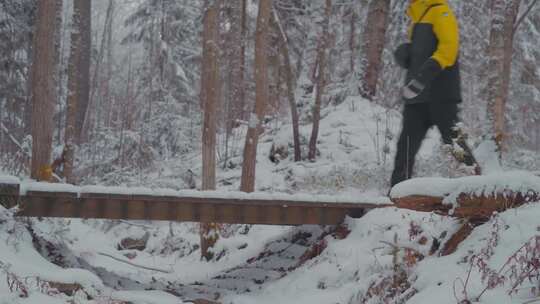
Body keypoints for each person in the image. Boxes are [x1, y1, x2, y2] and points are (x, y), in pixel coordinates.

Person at [390, 0, 479, 188]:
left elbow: (449, 48)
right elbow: (423, 52)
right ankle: (396, 195)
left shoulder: (441, 12)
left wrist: (425, 73)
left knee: (456, 145)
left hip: (441, 95)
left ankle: (480, 190)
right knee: (405, 148)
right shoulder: (419, 17)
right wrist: (406, 54)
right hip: (417, 97)